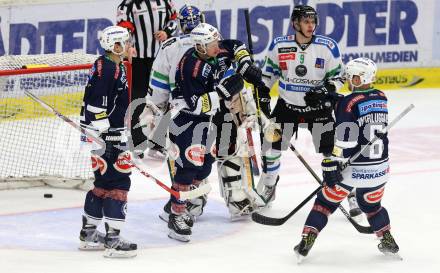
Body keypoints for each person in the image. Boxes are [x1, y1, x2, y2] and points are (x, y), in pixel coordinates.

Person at [293, 57, 399, 262]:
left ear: (359, 78)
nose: (349, 80)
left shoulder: (347, 103)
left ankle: (307, 240)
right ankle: (387, 239)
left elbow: (346, 141)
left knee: (325, 203)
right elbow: (358, 105)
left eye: (351, 77)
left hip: (353, 171)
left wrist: (330, 163)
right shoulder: (381, 97)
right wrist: (335, 100)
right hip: (380, 170)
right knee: (372, 206)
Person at [166, 23, 262, 241]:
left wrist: (245, 62)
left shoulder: (213, 50)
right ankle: (176, 215)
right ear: (200, 46)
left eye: (216, 41)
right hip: (187, 120)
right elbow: (196, 105)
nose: (218, 47)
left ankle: (187, 202)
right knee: (189, 164)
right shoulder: (190, 66)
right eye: (212, 44)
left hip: (206, 120)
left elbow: (235, 46)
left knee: (205, 163)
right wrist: (222, 92)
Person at [256, 5, 344, 205]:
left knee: (332, 152)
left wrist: (324, 92)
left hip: (319, 109)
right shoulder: (279, 45)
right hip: (287, 107)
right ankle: (269, 184)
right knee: (270, 147)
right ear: (295, 23)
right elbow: (268, 75)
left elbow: (339, 77)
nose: (311, 26)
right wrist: (262, 93)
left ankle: (344, 190)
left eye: (313, 21)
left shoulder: (327, 46)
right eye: (306, 21)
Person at [138, 5, 208, 222]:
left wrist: (153, 109)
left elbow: (158, 84)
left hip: (178, 111)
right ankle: (197, 199)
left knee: (179, 157)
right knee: (204, 154)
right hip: (209, 110)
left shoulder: (170, 45)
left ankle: (184, 202)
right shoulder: (212, 41)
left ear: (180, 24)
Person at [78, 26, 137, 258]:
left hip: (100, 134)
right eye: (126, 42)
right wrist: (110, 137)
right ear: (115, 46)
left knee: (102, 183)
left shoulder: (109, 63)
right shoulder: (110, 69)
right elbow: (96, 107)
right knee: (119, 183)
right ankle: (113, 240)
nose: (130, 46)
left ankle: (89, 234)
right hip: (105, 135)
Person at [117, 0, 178, 158]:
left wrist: (167, 32)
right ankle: (137, 141)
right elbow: (123, 28)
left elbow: (174, 19)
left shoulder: (165, 1)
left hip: (161, 60)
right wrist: (128, 46)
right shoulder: (127, 5)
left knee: (163, 100)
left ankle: (158, 140)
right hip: (137, 61)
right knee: (137, 100)